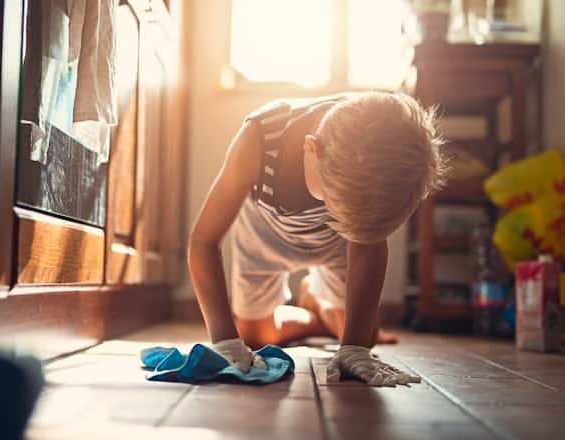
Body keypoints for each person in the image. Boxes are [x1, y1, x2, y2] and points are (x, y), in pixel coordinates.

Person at [187, 91, 445, 386]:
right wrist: (224, 341)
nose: (331, 213)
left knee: (366, 335)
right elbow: (203, 242)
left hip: (337, 245)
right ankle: (315, 314)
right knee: (254, 336)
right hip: (264, 234)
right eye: (332, 205)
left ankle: (320, 301)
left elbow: (367, 245)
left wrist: (355, 348)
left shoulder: (374, 154)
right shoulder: (258, 139)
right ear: (311, 148)